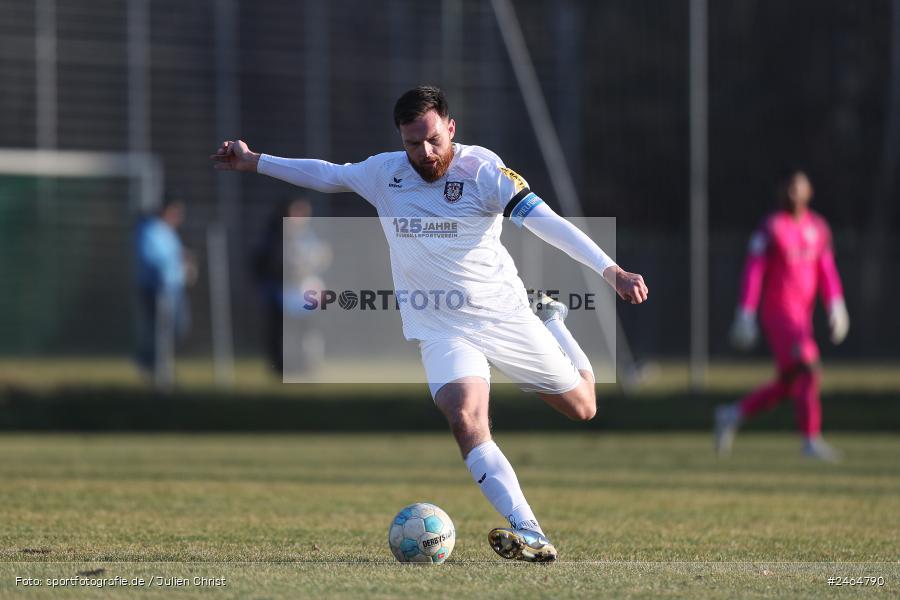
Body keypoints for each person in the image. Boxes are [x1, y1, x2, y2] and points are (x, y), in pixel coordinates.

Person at [211, 86, 648, 562]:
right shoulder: (385, 173)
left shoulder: (483, 171)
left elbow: (550, 223)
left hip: (504, 314)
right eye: (413, 143)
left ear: (451, 127)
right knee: (464, 416)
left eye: (434, 139)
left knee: (584, 407)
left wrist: (612, 271)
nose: (424, 152)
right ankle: (530, 529)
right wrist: (256, 161)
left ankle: (553, 322)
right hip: (440, 326)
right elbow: (327, 174)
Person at [716, 168, 849, 461]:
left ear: (809, 192)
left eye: (798, 187)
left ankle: (732, 414)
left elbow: (826, 270)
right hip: (779, 315)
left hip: (803, 318)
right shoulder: (772, 227)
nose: (793, 193)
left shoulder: (818, 227)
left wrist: (836, 303)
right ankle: (810, 440)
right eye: (788, 188)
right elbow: (755, 269)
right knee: (809, 367)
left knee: (790, 384)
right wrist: (746, 311)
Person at [252, 197, 331, 376]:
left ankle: (307, 366)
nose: (301, 217)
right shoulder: (276, 236)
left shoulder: (310, 235)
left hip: (304, 294)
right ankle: (282, 367)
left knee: (309, 331)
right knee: (282, 332)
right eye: (297, 212)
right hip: (282, 293)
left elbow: (319, 259)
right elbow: (266, 264)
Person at [134, 196, 194, 386]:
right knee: (160, 332)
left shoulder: (169, 232)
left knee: (178, 328)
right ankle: (153, 366)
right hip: (157, 290)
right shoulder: (151, 230)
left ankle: (156, 364)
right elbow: (153, 260)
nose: (179, 217)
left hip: (174, 289)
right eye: (176, 212)